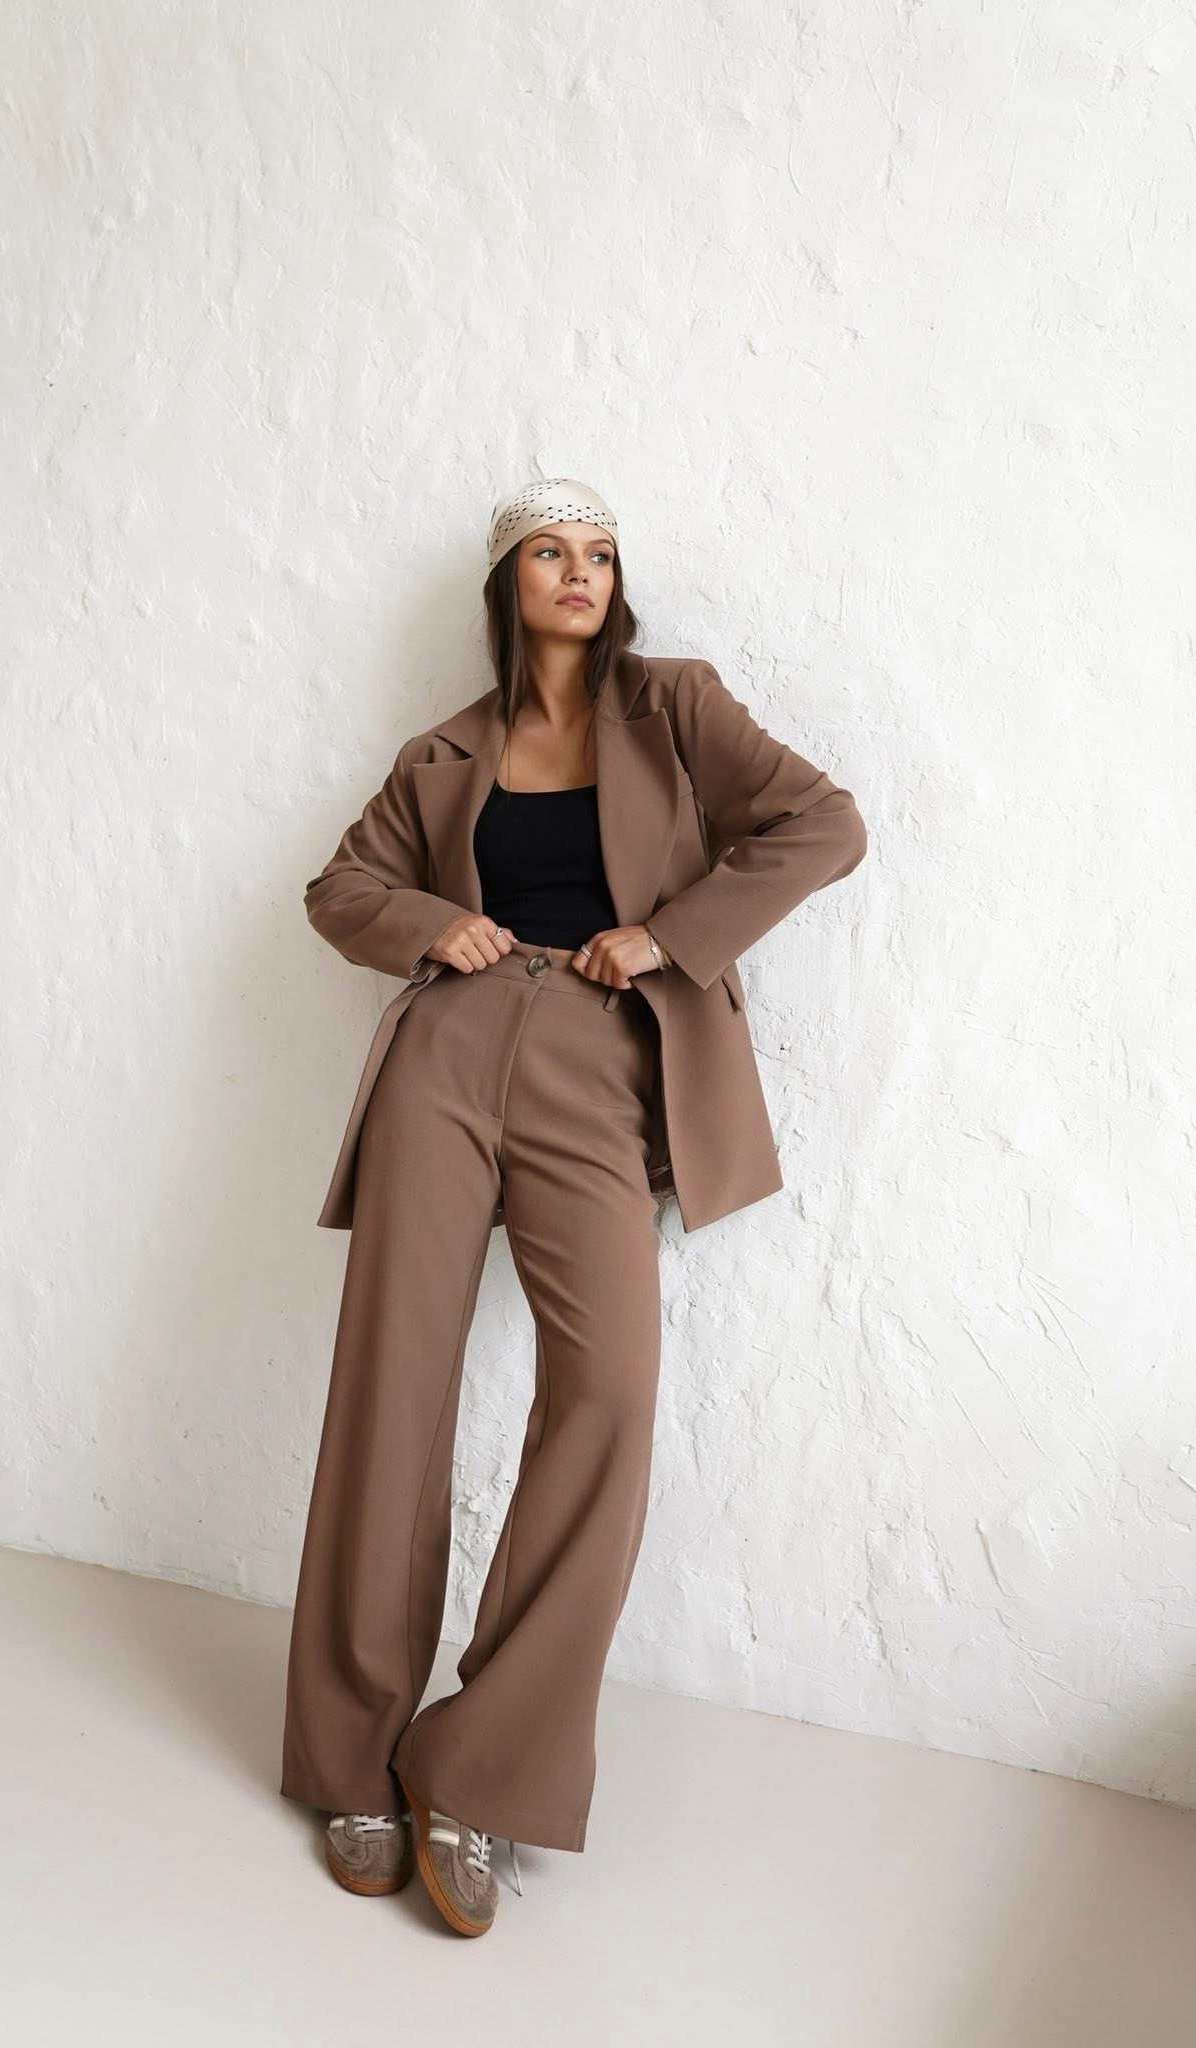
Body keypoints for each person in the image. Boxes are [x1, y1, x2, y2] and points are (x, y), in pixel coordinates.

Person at [281, 478, 867, 1938]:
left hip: (600, 1065)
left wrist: (666, 937)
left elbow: (824, 823)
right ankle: (349, 1758)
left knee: (608, 1393)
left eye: (599, 552)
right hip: (444, 1054)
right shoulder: (443, 751)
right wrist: (436, 924)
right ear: (507, 582)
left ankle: (478, 1768)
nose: (579, 571)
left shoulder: (677, 707)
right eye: (550, 550)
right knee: (391, 1392)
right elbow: (339, 888)